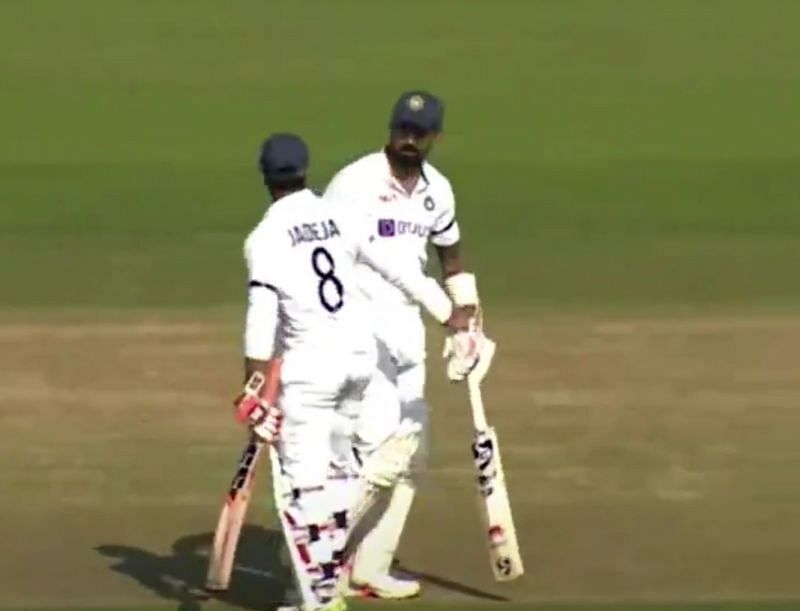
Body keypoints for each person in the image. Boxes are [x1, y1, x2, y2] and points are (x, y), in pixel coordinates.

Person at [236, 132, 472, 611]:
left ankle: (320, 601)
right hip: (358, 364)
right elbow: (402, 271)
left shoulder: (263, 238)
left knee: (304, 491)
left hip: (310, 374)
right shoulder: (337, 215)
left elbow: (260, 324)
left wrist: (254, 392)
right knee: (342, 477)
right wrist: (452, 315)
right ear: (305, 170)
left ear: (265, 177)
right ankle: (328, 584)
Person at [324, 91, 489, 598]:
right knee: (383, 453)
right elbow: (319, 255)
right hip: (357, 332)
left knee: (415, 456)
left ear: (435, 137)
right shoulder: (354, 183)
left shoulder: (439, 192)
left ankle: (368, 566)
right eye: (403, 130)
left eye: (420, 133)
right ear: (390, 128)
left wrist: (471, 325)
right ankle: (319, 557)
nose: (409, 140)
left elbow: (451, 260)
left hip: (408, 334)